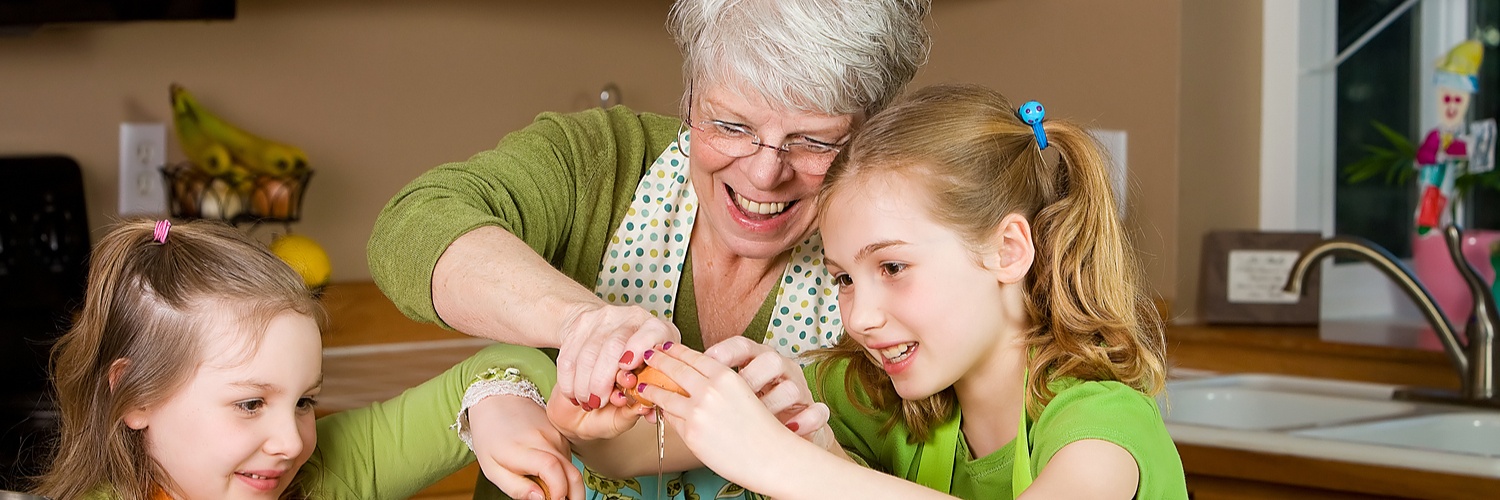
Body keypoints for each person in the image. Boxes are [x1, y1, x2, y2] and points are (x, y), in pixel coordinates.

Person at [366, 0, 931, 497]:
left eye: (813, 141)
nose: (764, 173)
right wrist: (584, 324)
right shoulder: (601, 160)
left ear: (870, 134)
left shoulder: (894, 267)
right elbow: (414, 225)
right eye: (731, 126)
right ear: (688, 100)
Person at [632, 83, 1190, 499]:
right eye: (844, 279)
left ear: (1009, 250)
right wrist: (567, 412)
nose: (861, 318)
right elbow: (627, 452)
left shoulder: (1103, 424)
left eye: (893, 267)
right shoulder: (871, 391)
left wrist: (778, 459)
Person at [34, 219, 577, 500]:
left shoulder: (325, 476)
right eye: (250, 403)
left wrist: (497, 403)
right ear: (138, 396)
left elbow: (507, 363)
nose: (293, 441)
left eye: (304, 401)